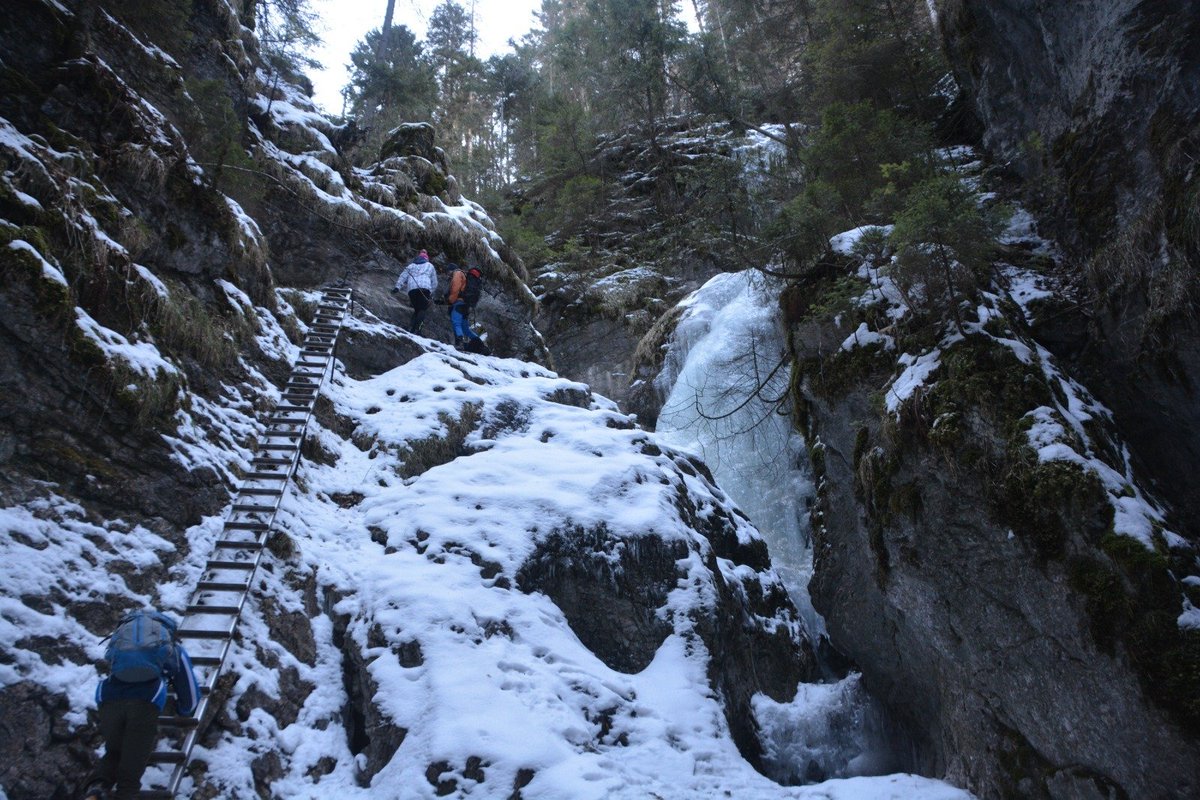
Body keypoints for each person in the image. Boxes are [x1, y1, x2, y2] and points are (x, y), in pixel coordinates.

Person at [83, 611, 200, 800]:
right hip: (145, 702)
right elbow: (190, 691)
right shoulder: (170, 645)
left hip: (108, 699)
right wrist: (184, 709)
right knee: (132, 766)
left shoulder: (121, 641)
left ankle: (97, 789)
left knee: (114, 751)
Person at [391, 249, 437, 334]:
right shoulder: (430, 265)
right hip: (424, 288)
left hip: (412, 289)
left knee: (417, 309)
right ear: (426, 259)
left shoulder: (411, 266)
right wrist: (431, 292)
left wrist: (397, 287)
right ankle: (417, 329)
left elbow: (403, 276)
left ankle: (411, 328)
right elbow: (434, 282)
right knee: (422, 309)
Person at [445, 263, 488, 353]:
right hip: (466, 304)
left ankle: (459, 344)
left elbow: (455, 289)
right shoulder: (465, 276)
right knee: (465, 328)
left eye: (448, 272)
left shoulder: (457, 273)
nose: (448, 274)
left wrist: (450, 300)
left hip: (459, 302)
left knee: (456, 322)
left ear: (451, 270)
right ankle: (481, 346)